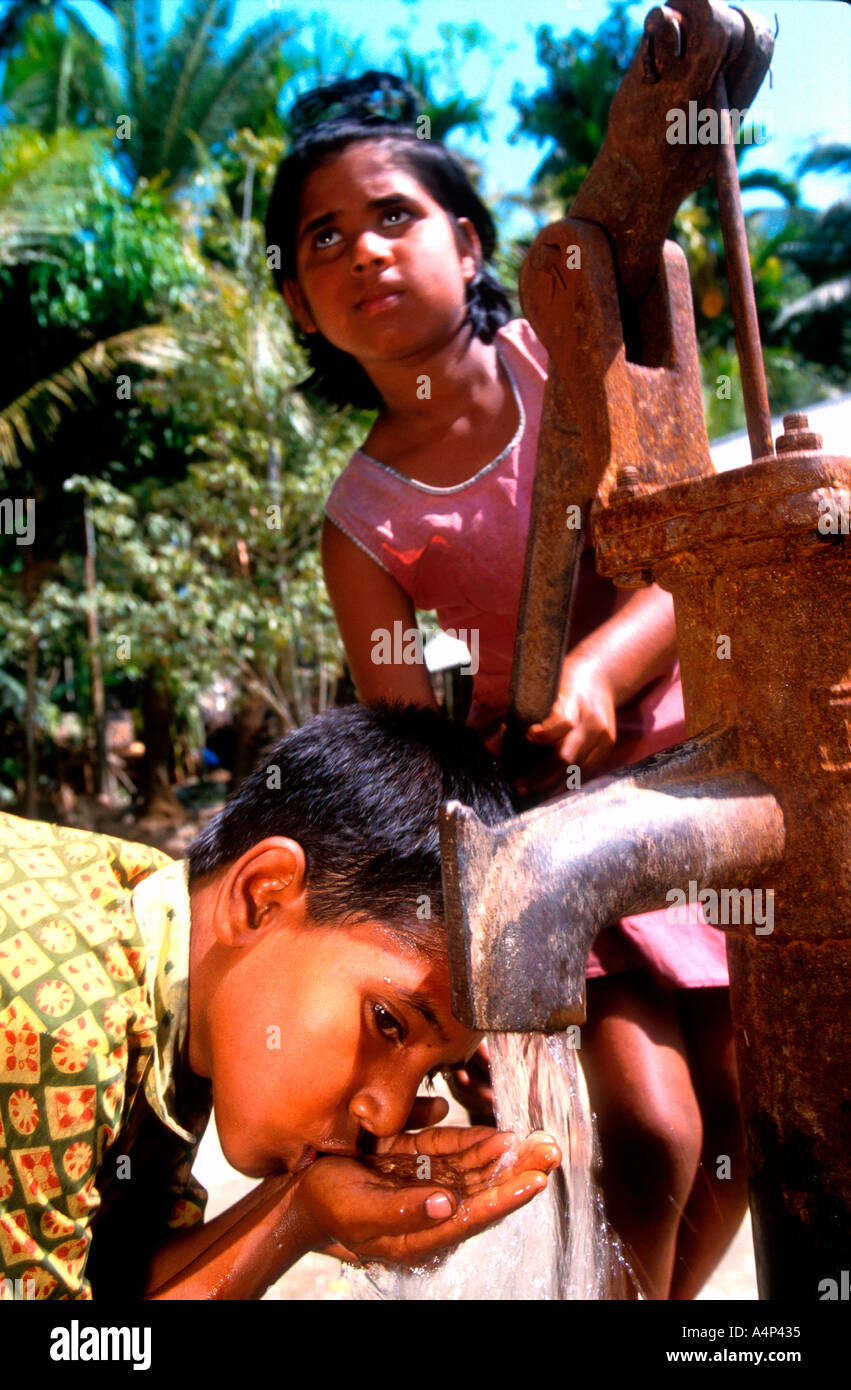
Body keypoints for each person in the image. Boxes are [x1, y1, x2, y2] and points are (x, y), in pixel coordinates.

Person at [265, 71, 749, 1300]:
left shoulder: (567, 368)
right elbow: (407, 731)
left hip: (716, 778)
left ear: (465, 241)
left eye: (391, 215)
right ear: (299, 306)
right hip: (553, 821)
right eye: (322, 238)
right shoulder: (361, 526)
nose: (362, 249)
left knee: (754, 1121)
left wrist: (596, 663)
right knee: (652, 1129)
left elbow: (703, 553)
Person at [0, 703, 559, 1300]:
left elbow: (115, 1281)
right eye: (388, 1023)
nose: (388, 1115)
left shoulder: (167, 948)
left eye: (430, 1075)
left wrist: (300, 1203)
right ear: (261, 897)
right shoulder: (55, 1031)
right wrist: (294, 1223)